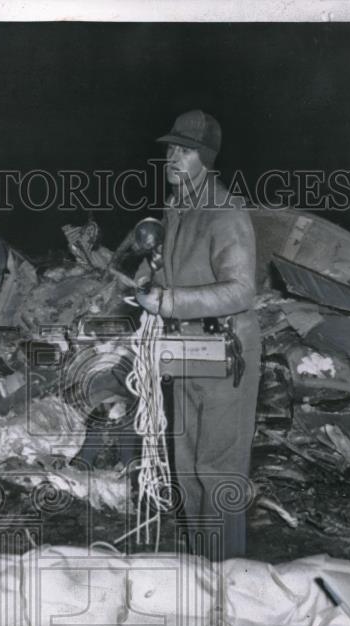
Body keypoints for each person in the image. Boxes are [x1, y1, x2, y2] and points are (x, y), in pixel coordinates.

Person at [135, 110, 261, 561]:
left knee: (218, 470)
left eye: (184, 150)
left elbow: (241, 289)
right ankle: (200, 564)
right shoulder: (178, 207)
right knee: (186, 466)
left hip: (225, 353)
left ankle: (226, 577)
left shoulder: (223, 210)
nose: (172, 157)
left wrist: (169, 302)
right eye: (170, 148)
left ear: (204, 159)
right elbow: (181, 272)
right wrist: (152, 274)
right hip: (185, 348)